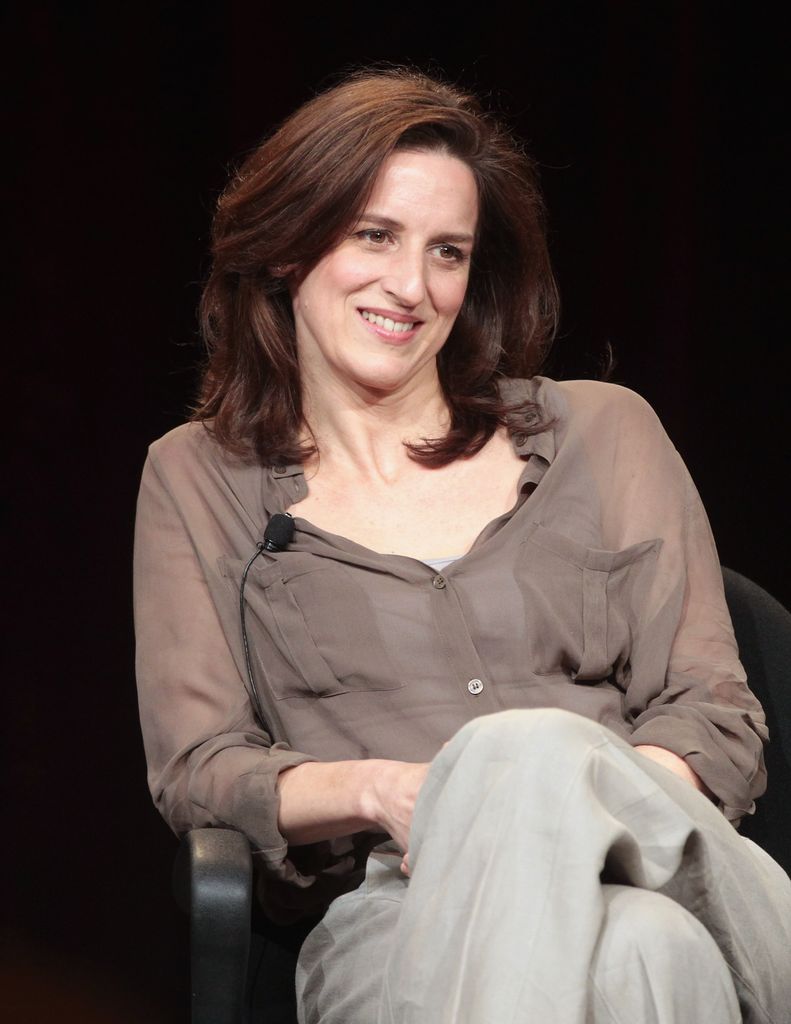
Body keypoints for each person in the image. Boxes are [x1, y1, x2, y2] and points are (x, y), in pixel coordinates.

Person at [134, 68, 791, 1022]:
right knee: (648, 954)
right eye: (374, 236)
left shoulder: (601, 433)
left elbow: (711, 710)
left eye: (447, 252)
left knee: (537, 778)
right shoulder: (199, 476)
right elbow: (200, 769)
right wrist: (394, 792)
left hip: (657, 877)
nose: (411, 285)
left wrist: (555, 800)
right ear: (286, 249)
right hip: (401, 922)